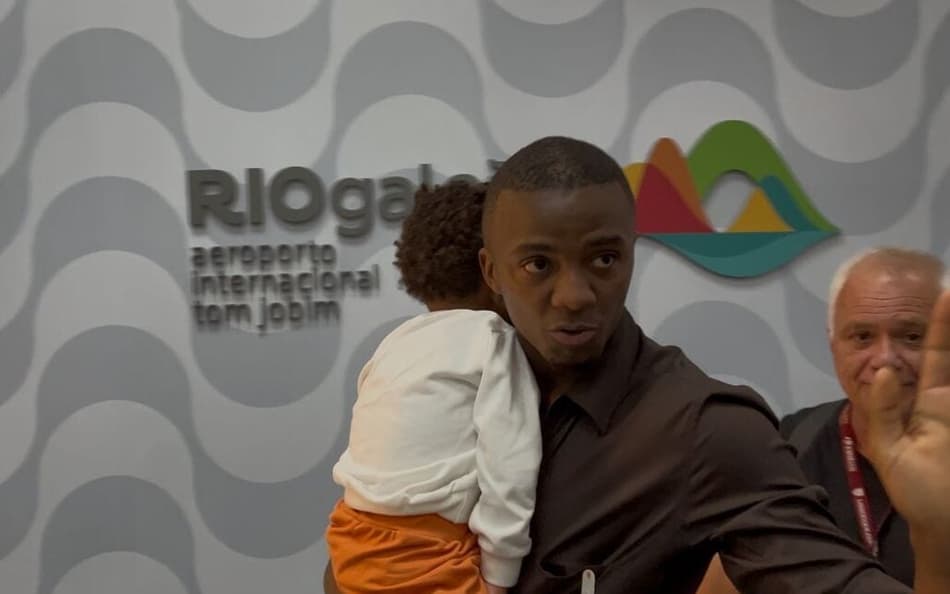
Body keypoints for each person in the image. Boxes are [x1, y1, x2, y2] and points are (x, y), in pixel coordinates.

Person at [326, 136, 950, 593]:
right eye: (538, 265)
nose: (573, 294)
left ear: (630, 255)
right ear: (493, 272)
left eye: (602, 260)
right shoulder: (436, 381)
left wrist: (937, 536)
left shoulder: (706, 429)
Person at [326, 181, 542, 593]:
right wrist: (499, 577)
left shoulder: (395, 342)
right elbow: (511, 469)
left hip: (351, 540)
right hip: (425, 556)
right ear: (492, 269)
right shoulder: (493, 338)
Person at [695, 247, 948, 594]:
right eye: (862, 336)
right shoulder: (788, 446)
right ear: (833, 344)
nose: (886, 359)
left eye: (912, 336)